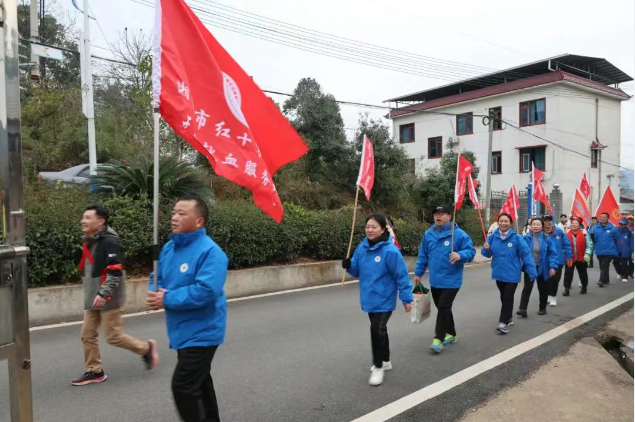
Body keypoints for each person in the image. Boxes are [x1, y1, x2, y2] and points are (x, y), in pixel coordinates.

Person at [146, 197, 228, 422]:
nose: (174, 217)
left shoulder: (211, 252)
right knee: (199, 384)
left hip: (204, 330)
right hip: (181, 329)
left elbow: (206, 290)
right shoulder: (169, 247)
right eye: (174, 212)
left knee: (183, 386)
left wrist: (168, 298)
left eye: (182, 213)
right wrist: (154, 290)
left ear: (199, 221)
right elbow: (157, 275)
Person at [72, 205, 158, 386]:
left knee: (112, 336)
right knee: (87, 335)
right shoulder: (92, 240)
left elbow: (115, 271)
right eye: (83, 217)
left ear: (100, 221)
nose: (83, 220)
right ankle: (95, 371)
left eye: (88, 218)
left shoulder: (109, 242)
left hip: (108, 297)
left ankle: (146, 348)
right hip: (93, 297)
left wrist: (103, 292)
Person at [342, 214, 413, 386]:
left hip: (385, 298)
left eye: (374, 227)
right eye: (367, 226)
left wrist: (406, 298)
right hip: (369, 297)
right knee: (380, 329)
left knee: (376, 329)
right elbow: (357, 271)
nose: (370, 230)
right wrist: (349, 265)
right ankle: (386, 360)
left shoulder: (390, 251)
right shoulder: (362, 248)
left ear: (383, 229)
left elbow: (401, 276)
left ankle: (378, 365)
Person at [414, 205, 475, 353]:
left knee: (443, 306)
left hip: (452, 279)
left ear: (450, 216)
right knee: (444, 308)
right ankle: (451, 334)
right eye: (436, 214)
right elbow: (423, 255)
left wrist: (460, 255)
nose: (438, 216)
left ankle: (438, 338)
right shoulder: (429, 234)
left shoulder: (459, 234)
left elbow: (471, 251)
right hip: (435, 280)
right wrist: (418, 272)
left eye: (441, 214)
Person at [482, 213, 537, 334]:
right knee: (504, 297)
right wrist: (486, 248)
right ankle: (509, 317)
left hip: (512, 273)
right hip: (498, 272)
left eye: (506, 221)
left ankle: (503, 323)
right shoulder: (492, 237)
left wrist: (532, 272)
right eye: (501, 221)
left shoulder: (517, 238)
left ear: (510, 223)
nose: (503, 223)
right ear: (498, 222)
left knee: (507, 296)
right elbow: (486, 254)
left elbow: (526, 255)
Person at [517, 218, 558, 317]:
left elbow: (553, 254)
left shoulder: (546, 238)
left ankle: (542, 308)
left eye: (538, 224)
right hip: (530, 267)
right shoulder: (526, 238)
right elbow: (520, 252)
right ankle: (522, 309)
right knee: (527, 287)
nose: (535, 226)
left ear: (542, 226)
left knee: (543, 289)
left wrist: (553, 267)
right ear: (530, 226)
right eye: (533, 224)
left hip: (543, 268)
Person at [542, 215, 572, 306]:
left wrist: (569, 256)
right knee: (546, 279)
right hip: (544, 260)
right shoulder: (540, 232)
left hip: (558, 260)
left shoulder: (559, 231)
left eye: (549, 220)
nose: (548, 222)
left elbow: (567, 244)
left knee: (555, 279)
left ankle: (553, 296)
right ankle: (548, 295)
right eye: (546, 221)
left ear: (552, 221)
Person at [563, 217, 593, 296]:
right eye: (572, 223)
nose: (574, 225)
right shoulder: (566, 233)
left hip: (582, 258)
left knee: (583, 273)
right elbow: (562, 245)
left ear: (579, 225)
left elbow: (590, 245)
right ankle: (566, 289)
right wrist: (565, 254)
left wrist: (587, 255)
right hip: (570, 258)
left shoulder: (584, 233)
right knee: (568, 274)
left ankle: (584, 287)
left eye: (576, 223)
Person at [589, 212, 619, 288]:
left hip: (610, 251)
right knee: (603, 266)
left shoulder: (613, 228)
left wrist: (618, 251)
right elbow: (590, 238)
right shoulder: (595, 228)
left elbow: (617, 239)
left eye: (604, 217)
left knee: (604, 265)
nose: (602, 218)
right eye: (601, 217)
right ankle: (606, 279)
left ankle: (601, 280)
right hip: (599, 250)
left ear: (608, 218)